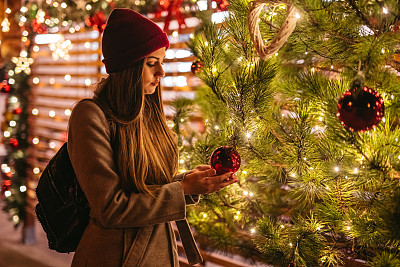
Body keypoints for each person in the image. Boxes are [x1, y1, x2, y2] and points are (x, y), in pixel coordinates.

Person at [67, 8, 238, 267]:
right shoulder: (90, 116)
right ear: (128, 67)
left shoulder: (149, 113)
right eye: (151, 63)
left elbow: (147, 185)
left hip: (161, 253)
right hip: (115, 257)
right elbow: (112, 207)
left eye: (162, 61)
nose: (162, 72)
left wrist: (189, 181)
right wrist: (183, 190)